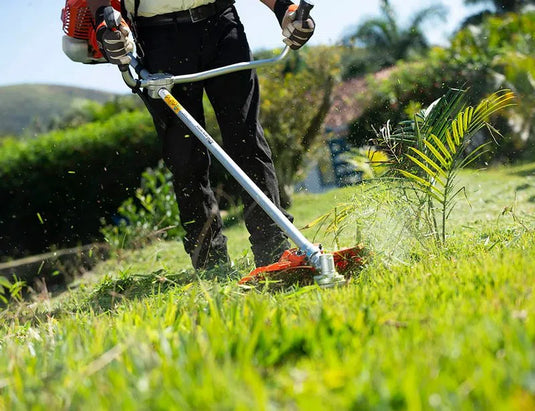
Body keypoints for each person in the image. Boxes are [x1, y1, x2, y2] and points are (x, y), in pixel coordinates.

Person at [87, 0, 315, 270]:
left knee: (248, 140)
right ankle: (210, 264)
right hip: (158, 37)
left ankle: (274, 251)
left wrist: (284, 9)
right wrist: (105, 22)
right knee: (185, 156)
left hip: (222, 26)